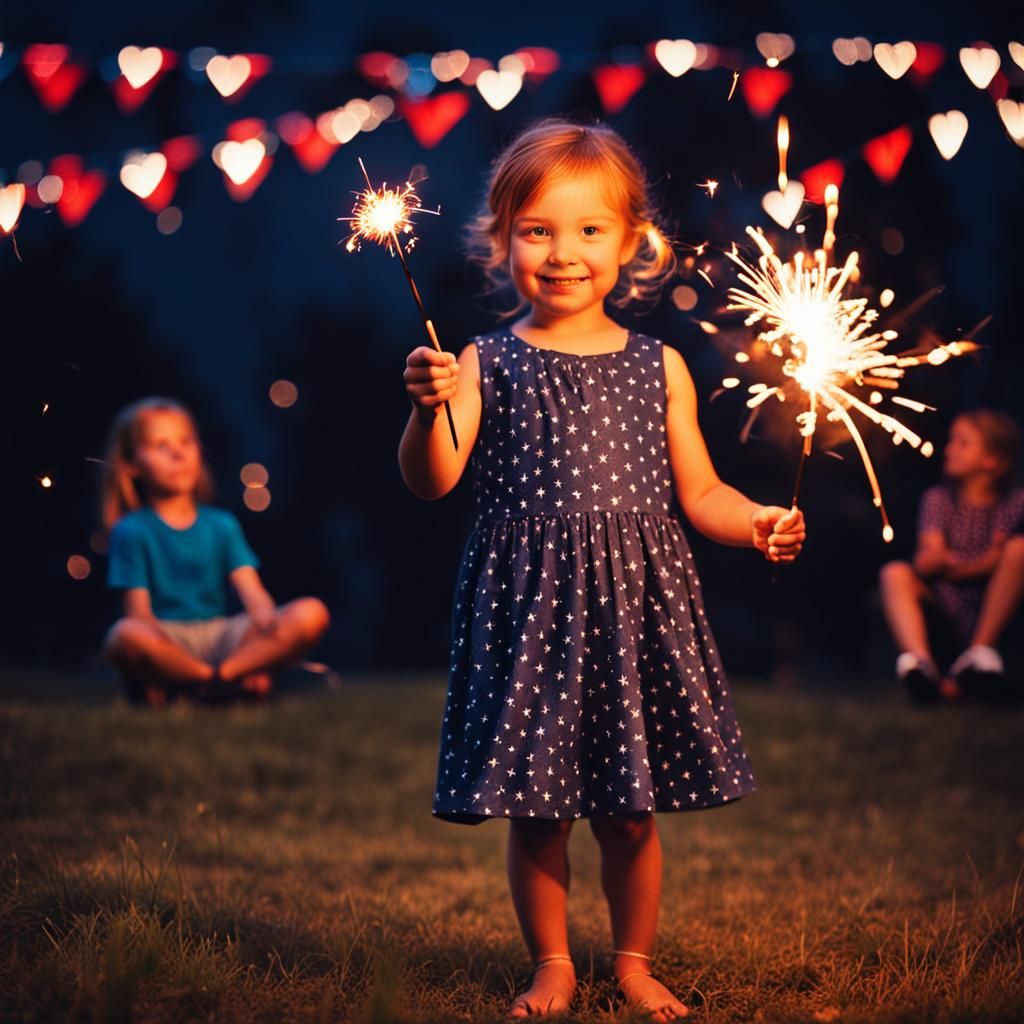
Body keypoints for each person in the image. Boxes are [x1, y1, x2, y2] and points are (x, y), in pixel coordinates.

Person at [397, 118, 806, 1021]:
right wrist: (429, 412)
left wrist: (759, 522)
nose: (563, 252)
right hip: (530, 608)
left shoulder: (659, 367)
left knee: (628, 807)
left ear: (633, 243)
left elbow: (700, 493)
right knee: (538, 807)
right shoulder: (482, 361)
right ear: (502, 241)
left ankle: (631, 961)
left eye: (589, 230)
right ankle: (551, 963)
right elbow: (434, 480)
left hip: (633, 610)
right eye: (538, 230)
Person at [101, 397, 330, 706]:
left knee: (311, 613)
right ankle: (213, 682)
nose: (177, 453)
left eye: (185, 441)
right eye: (160, 445)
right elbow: (139, 616)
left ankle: (213, 678)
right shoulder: (131, 531)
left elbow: (255, 597)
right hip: (167, 637)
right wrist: (155, 663)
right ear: (130, 464)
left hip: (221, 637)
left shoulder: (222, 525)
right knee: (123, 636)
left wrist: (268, 638)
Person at [880, 409, 1024, 703]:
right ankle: (922, 668)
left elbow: (1007, 562)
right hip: (945, 611)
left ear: (992, 460)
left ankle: (979, 656)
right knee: (895, 573)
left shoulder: (1015, 503)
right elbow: (927, 562)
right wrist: (984, 562)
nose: (949, 450)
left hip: (997, 616)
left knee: (1020, 550)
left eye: (963, 443)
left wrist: (951, 563)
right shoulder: (939, 499)